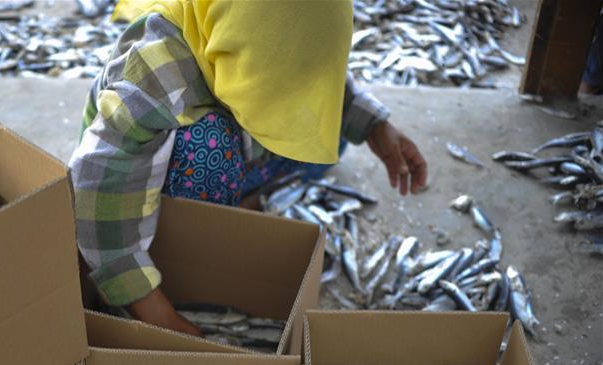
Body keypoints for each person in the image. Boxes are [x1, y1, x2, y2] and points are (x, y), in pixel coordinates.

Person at [70, 0, 428, 335]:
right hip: (152, 173)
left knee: (329, 129)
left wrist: (376, 126)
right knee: (207, 146)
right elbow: (96, 188)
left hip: (240, 144)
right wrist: (149, 305)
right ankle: (208, 218)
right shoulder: (156, 70)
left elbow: (312, 60)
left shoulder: (275, 35)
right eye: (278, 88)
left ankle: (244, 194)